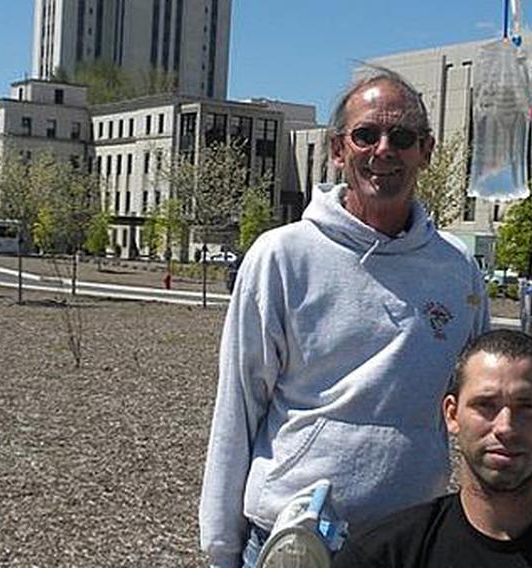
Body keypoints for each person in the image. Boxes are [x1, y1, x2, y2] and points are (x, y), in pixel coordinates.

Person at [199, 67, 490, 568]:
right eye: (365, 135)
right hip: (295, 542)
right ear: (338, 150)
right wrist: (221, 549)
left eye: (401, 136)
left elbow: (480, 405)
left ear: (427, 151)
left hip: (412, 541)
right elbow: (238, 407)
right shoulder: (281, 257)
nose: (383, 150)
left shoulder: (456, 270)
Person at [332, 329, 532, 568]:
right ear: (452, 414)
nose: (505, 426)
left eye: (527, 407)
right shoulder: (382, 556)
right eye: (485, 405)